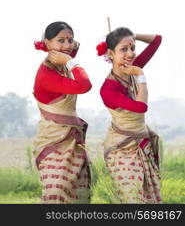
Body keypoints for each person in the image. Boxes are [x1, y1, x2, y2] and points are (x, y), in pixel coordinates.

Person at [96, 27, 162, 203]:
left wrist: (134, 35)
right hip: (121, 148)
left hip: (141, 144)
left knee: (149, 200)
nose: (130, 53)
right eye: (123, 49)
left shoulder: (133, 69)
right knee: (132, 199)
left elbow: (157, 40)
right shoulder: (108, 89)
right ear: (111, 53)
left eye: (132, 48)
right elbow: (140, 107)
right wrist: (140, 75)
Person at [32, 21, 92, 204]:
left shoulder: (61, 66)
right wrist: (70, 60)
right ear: (47, 43)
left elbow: (69, 52)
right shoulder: (46, 75)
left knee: (78, 196)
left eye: (70, 40)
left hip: (72, 142)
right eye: (60, 40)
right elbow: (84, 85)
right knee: (56, 194)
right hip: (53, 142)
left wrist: (68, 56)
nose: (66, 45)